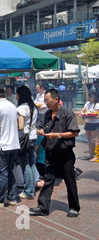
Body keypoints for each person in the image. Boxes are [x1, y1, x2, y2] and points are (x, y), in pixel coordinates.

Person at [31, 89, 81, 217]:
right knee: (48, 179)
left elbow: (74, 132)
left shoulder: (67, 114)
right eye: (45, 101)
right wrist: (39, 131)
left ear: (56, 100)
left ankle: (74, 207)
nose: (46, 103)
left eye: (48, 100)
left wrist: (58, 135)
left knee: (69, 180)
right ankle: (43, 207)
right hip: (50, 152)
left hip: (65, 153)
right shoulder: (47, 114)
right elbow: (38, 126)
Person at [16, 85, 38, 200]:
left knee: (26, 165)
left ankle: (28, 191)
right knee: (32, 164)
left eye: (17, 94)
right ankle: (31, 189)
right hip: (33, 137)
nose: (16, 96)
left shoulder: (21, 108)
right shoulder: (33, 106)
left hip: (24, 139)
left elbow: (20, 126)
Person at [76, 92, 99, 162]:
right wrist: (79, 113)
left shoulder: (97, 105)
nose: (90, 98)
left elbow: (97, 116)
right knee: (89, 140)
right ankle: (91, 155)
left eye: (91, 97)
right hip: (88, 123)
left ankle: (97, 156)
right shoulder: (87, 103)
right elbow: (82, 111)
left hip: (95, 124)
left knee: (96, 140)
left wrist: (90, 115)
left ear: (94, 97)